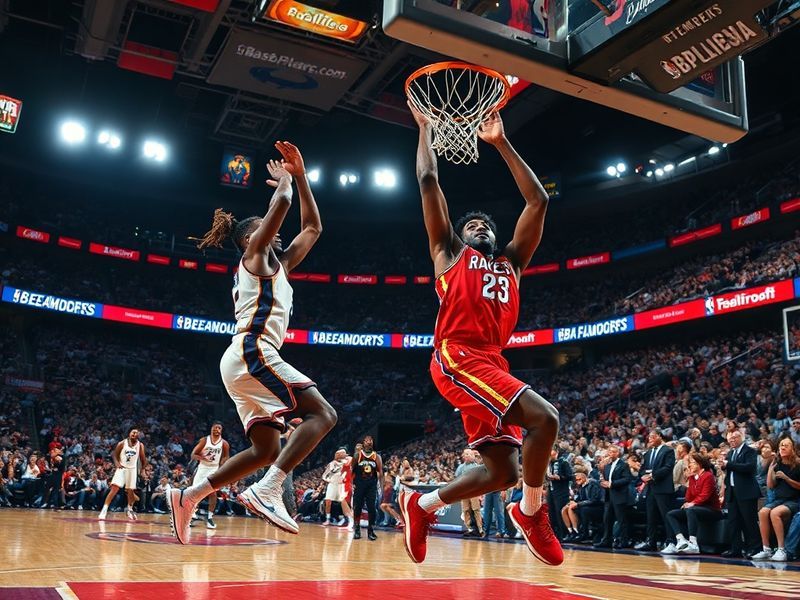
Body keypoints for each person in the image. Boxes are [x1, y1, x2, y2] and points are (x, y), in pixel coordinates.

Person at [400, 103, 560, 566]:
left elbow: (538, 202)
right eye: (473, 224)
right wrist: (426, 131)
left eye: (487, 224)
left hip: (491, 362)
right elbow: (429, 182)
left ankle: (423, 504)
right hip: (457, 355)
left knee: (504, 470)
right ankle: (532, 513)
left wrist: (500, 143)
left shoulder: (512, 263)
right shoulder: (448, 252)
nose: (481, 227)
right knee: (545, 419)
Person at [166, 142, 337, 544]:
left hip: (244, 358)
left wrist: (302, 177)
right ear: (250, 239)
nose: (274, 233)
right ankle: (268, 488)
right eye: (262, 228)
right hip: (253, 350)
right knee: (324, 415)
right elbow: (279, 211)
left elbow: (313, 229)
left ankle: (189, 497)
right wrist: (283, 185)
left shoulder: (278, 265)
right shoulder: (254, 257)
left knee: (264, 448)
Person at [662, 453, 722, 555]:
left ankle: (693, 543)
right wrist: (687, 501)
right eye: (689, 463)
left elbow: (705, 496)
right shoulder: (693, 477)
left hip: (712, 509)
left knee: (690, 510)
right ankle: (681, 540)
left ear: (700, 464)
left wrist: (692, 503)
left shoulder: (708, 476)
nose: (690, 465)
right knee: (671, 514)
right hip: (697, 508)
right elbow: (688, 497)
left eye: (692, 463)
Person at [751, 438, 800, 561]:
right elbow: (771, 485)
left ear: (793, 448)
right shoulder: (777, 463)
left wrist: (787, 479)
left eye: (786, 445)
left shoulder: (798, 463)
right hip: (779, 499)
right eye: (781, 445)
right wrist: (771, 469)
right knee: (762, 512)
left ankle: (781, 549)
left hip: (794, 500)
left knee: (775, 513)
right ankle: (766, 549)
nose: (782, 447)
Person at [720, 429, 761, 558]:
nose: (732, 440)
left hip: (747, 492)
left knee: (749, 521)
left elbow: (749, 468)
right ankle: (735, 548)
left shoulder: (750, 451)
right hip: (732, 491)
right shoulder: (731, 453)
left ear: (742, 437)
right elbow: (730, 470)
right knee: (733, 522)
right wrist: (723, 466)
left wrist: (729, 464)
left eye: (735, 438)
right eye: (730, 439)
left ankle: (755, 548)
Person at [635, 429, 676, 551]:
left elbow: (668, 467)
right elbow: (642, 469)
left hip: (663, 488)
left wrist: (652, 476)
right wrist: (642, 476)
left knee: (666, 516)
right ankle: (651, 541)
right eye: (649, 437)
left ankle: (671, 542)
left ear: (659, 436)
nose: (650, 439)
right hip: (650, 488)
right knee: (651, 516)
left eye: (653, 436)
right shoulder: (648, 453)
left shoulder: (668, 450)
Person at [189, 422, 230, 529]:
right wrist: (203, 458)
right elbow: (193, 455)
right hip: (202, 468)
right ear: (211, 429)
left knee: (212, 493)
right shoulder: (204, 440)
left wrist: (222, 465)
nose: (217, 429)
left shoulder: (224, 443)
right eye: (215, 427)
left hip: (214, 468)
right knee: (195, 491)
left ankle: (210, 517)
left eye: (219, 428)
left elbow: (226, 457)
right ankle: (192, 515)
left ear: (221, 430)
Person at [99, 428, 146, 521]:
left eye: (136, 433)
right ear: (129, 433)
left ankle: (129, 509)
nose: (134, 433)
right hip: (122, 468)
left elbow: (143, 459)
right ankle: (104, 509)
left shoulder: (140, 445)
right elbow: (115, 454)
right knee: (114, 488)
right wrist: (116, 463)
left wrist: (143, 470)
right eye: (133, 432)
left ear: (138, 435)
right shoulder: (122, 443)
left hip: (132, 469)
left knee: (130, 491)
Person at [594, 445, 633, 549]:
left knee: (621, 520)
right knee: (607, 519)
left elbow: (627, 479)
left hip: (619, 495)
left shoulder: (623, 465)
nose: (611, 454)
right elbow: (605, 479)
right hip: (608, 496)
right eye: (610, 452)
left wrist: (612, 484)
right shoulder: (607, 466)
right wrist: (602, 483)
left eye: (613, 452)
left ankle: (624, 541)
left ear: (618, 453)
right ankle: (606, 540)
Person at [352, 436, 382, 541]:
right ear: (363, 443)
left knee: (372, 508)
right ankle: (357, 530)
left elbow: (380, 472)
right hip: (359, 485)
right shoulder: (357, 455)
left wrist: (380, 487)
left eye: (371, 440)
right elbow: (351, 471)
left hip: (371, 486)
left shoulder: (376, 456)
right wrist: (352, 484)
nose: (369, 442)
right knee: (358, 507)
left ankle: (371, 530)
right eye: (367, 440)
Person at [564, 470, 603, 542]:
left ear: (584, 478)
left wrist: (578, 504)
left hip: (598, 507)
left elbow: (594, 500)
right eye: (576, 480)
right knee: (565, 509)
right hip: (587, 505)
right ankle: (573, 532)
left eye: (579, 479)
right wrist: (573, 502)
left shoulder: (593, 483)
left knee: (583, 510)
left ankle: (584, 533)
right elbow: (579, 498)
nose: (577, 481)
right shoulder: (580, 486)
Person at [455, 449, 484, 537]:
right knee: (465, 510)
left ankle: (480, 529)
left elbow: (480, 480)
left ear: (473, 456)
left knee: (476, 510)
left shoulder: (477, 466)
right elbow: (457, 478)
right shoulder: (460, 467)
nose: (467, 455)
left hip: (474, 491)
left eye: (469, 454)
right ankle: (469, 529)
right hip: (464, 491)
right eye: (466, 454)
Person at [322, 448, 353, 528]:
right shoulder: (332, 464)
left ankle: (347, 519)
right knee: (328, 501)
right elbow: (324, 476)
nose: (337, 455)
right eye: (337, 454)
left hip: (343, 484)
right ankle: (328, 519)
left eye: (339, 454)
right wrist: (330, 480)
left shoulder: (348, 460)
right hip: (333, 484)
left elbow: (349, 465)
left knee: (345, 502)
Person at [547, 446, 573, 540]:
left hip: (561, 491)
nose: (550, 453)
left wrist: (560, 477)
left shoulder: (564, 462)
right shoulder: (548, 462)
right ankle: (554, 533)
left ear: (556, 451)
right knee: (551, 512)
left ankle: (564, 534)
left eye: (552, 451)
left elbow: (570, 476)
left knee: (559, 512)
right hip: (551, 489)